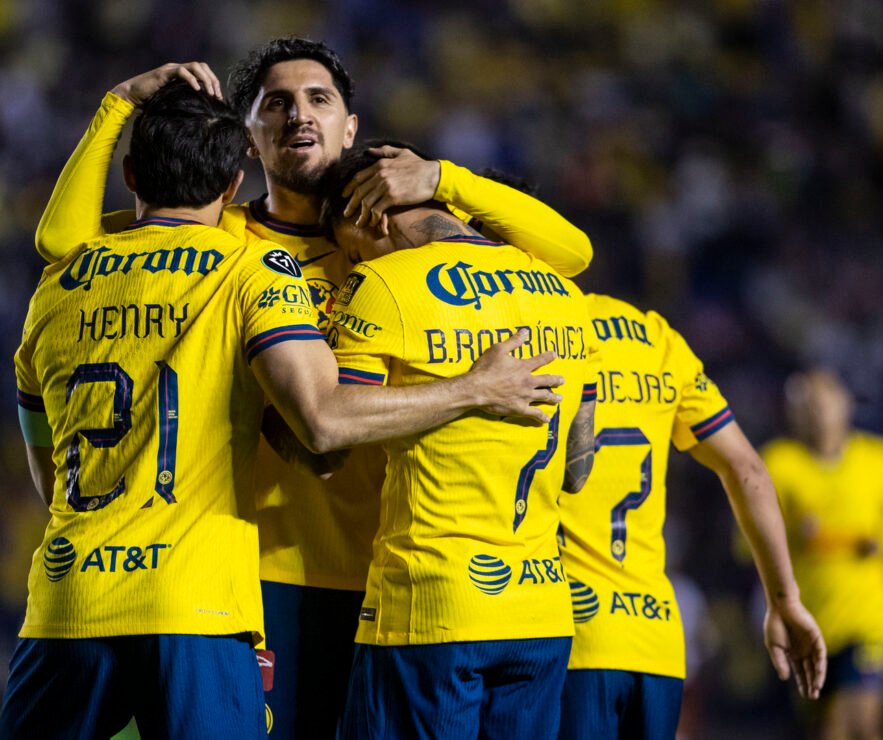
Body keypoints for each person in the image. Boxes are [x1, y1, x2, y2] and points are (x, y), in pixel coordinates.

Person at [31, 38, 595, 738]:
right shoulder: (218, 234)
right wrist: (118, 104)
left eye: (319, 100)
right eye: (277, 104)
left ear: (350, 127)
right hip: (260, 573)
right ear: (247, 140)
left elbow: (567, 256)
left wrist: (445, 178)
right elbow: (65, 245)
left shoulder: (392, 247)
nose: (300, 114)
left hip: (385, 574)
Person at [318, 143, 600, 738]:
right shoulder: (563, 293)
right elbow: (578, 469)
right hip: (542, 613)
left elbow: (331, 429)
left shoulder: (384, 283)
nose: (349, 266)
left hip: (433, 605)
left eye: (347, 252)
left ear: (367, 217)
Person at [557, 292, 828, 739]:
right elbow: (747, 468)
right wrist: (784, 600)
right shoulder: (660, 339)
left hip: (572, 636)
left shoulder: (544, 328)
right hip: (657, 641)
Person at [763, 369, 883, 740]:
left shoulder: (879, 458)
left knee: (860, 721)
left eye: (825, 400)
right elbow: (745, 539)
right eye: (807, 403)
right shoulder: (779, 464)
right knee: (825, 728)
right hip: (810, 619)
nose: (817, 411)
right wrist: (790, 534)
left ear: (846, 404)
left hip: (870, 615)